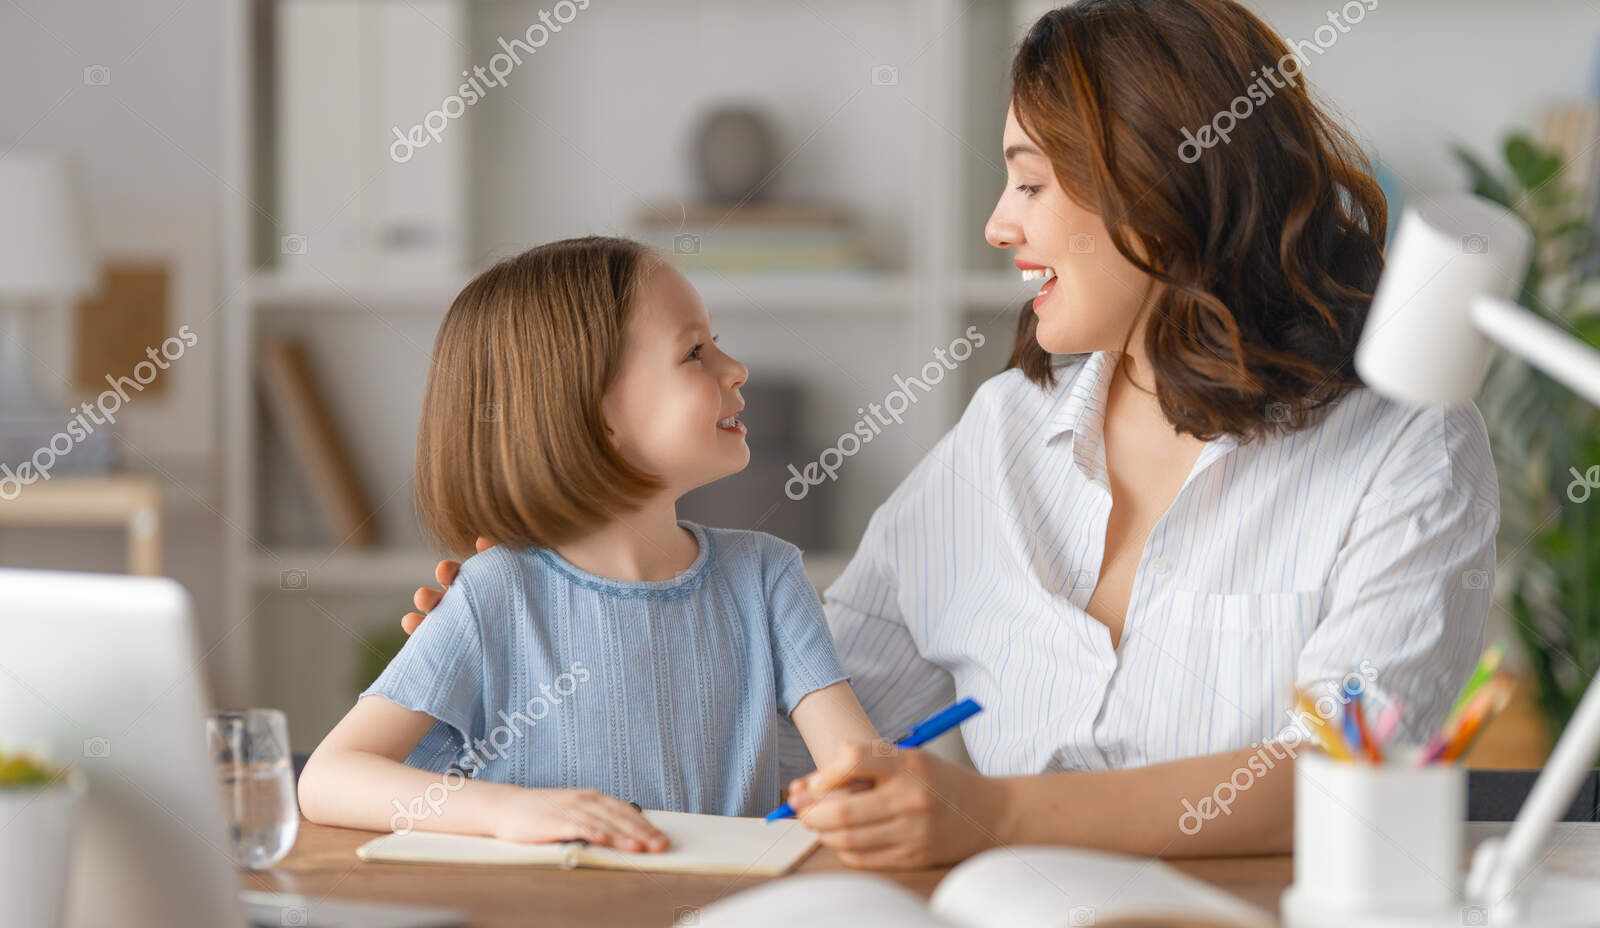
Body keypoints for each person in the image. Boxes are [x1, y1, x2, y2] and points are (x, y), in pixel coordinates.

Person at [406, 1, 1499, 868]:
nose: (996, 223)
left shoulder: (1401, 449)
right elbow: (801, 729)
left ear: (1161, 187)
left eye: (1029, 179)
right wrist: (553, 634)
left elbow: (1352, 775)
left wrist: (996, 815)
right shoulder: (1001, 439)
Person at [300, 237, 881, 853]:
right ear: (595, 414)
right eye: (694, 352)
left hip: (727, 923)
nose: (735, 368)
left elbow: (861, 770)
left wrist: (864, 790)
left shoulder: (767, 576)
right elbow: (330, 778)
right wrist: (508, 812)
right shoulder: (495, 589)